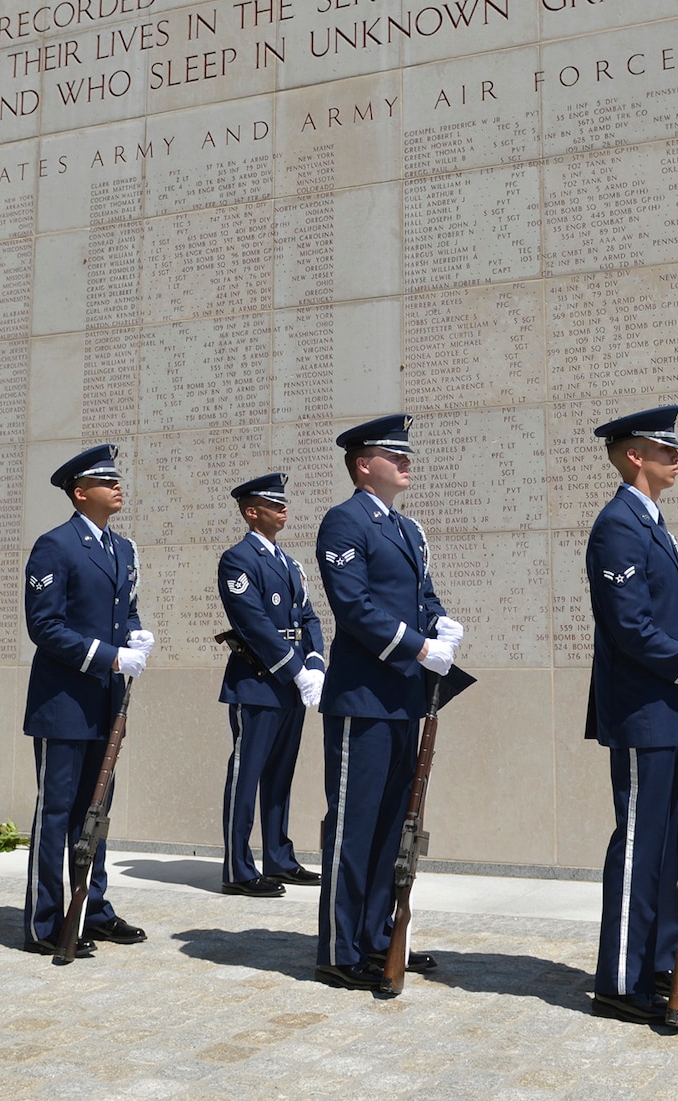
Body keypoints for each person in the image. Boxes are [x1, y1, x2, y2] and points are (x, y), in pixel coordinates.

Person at [584, 405, 678, 1026]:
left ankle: (656, 963)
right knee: (641, 845)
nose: (677, 457)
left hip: (669, 708)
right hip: (644, 710)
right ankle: (622, 978)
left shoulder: (651, 524)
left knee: (669, 846)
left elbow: (657, 622)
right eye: (662, 449)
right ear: (632, 457)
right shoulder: (618, 526)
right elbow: (629, 629)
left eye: (676, 449)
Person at [313, 414, 465, 992]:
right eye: (391, 454)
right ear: (362, 465)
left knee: (391, 827)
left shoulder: (406, 529)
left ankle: (379, 938)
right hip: (363, 698)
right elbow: (352, 607)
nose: (405, 461)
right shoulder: (344, 522)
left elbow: (422, 593)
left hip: (405, 696)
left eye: (406, 453)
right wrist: (417, 643)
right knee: (355, 825)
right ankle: (338, 946)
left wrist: (439, 625)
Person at [20, 445, 155, 956]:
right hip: (64, 700)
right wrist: (110, 657)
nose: (118, 486)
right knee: (57, 812)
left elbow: (126, 613)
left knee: (96, 809)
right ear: (80, 493)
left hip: (105, 700)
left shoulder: (122, 549)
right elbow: (45, 626)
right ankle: (45, 919)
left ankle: (91, 907)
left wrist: (136, 637)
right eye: (106, 480)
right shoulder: (55, 546)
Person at [216, 472, 325, 898]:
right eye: (273, 503)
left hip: (292, 685)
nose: (283, 508)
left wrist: (315, 665)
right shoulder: (238, 560)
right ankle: (238, 867)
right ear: (251, 512)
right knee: (248, 775)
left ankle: (278, 857)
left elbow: (309, 618)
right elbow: (255, 625)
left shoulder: (289, 563)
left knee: (281, 775)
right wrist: (295, 669)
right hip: (258, 683)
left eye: (283, 503)